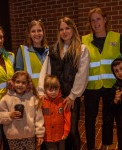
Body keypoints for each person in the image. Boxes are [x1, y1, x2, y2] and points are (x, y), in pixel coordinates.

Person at [38, 17, 89, 150]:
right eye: (61, 29)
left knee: (71, 130)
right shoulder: (53, 49)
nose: (64, 31)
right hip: (54, 96)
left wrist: (73, 95)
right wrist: (41, 91)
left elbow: (82, 74)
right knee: (54, 128)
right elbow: (45, 71)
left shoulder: (81, 49)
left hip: (70, 98)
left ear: (73, 29)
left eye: (67, 28)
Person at [82, 7, 121, 150]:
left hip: (111, 85)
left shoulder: (117, 38)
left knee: (108, 117)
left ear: (105, 20)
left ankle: (105, 145)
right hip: (91, 86)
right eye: (92, 20)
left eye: (98, 19)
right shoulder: (84, 40)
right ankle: (91, 146)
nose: (95, 23)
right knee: (90, 119)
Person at [0, 71, 45, 150]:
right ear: (13, 82)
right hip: (13, 138)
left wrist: (40, 134)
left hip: (29, 137)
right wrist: (9, 115)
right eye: (17, 82)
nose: (20, 85)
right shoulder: (6, 98)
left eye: (23, 83)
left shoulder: (33, 99)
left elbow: (38, 119)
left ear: (28, 84)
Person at [15, 19, 49, 87]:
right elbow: (18, 76)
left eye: (39, 30)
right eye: (33, 31)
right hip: (30, 93)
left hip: (47, 92)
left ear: (43, 32)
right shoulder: (22, 50)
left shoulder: (49, 51)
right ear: (29, 34)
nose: (37, 34)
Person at [42, 75, 71, 150]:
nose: (53, 92)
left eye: (55, 89)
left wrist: (66, 132)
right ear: (45, 89)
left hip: (61, 135)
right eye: (50, 90)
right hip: (47, 136)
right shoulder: (41, 102)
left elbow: (67, 119)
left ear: (59, 89)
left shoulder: (63, 102)